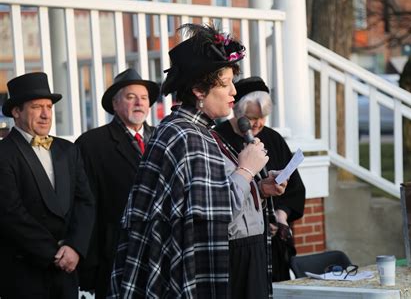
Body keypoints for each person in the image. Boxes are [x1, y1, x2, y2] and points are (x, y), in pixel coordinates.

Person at [109, 24, 286, 298]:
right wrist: (246, 169)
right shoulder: (183, 134)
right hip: (221, 266)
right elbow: (207, 214)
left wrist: (260, 189)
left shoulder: (204, 133)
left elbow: (211, 194)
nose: (233, 93)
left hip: (242, 259)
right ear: (199, 90)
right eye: (225, 84)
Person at [0, 72, 95, 298]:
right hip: (25, 271)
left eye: (49, 107)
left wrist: (74, 247)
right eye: (36, 107)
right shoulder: (3, 153)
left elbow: (85, 202)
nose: (45, 115)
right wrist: (55, 255)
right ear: (16, 112)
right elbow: (10, 213)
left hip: (67, 269)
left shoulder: (68, 150)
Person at [75, 68, 159, 298]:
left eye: (144, 98)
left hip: (158, 252)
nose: (139, 103)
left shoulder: (162, 138)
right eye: (131, 97)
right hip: (114, 255)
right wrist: (88, 265)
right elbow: (85, 204)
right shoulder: (92, 144)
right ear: (115, 103)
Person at [214, 76, 306, 281]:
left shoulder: (273, 138)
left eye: (263, 116)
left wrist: (281, 217)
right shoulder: (218, 139)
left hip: (273, 244)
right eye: (252, 117)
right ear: (238, 111)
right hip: (239, 245)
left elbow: (295, 189)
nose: (258, 123)